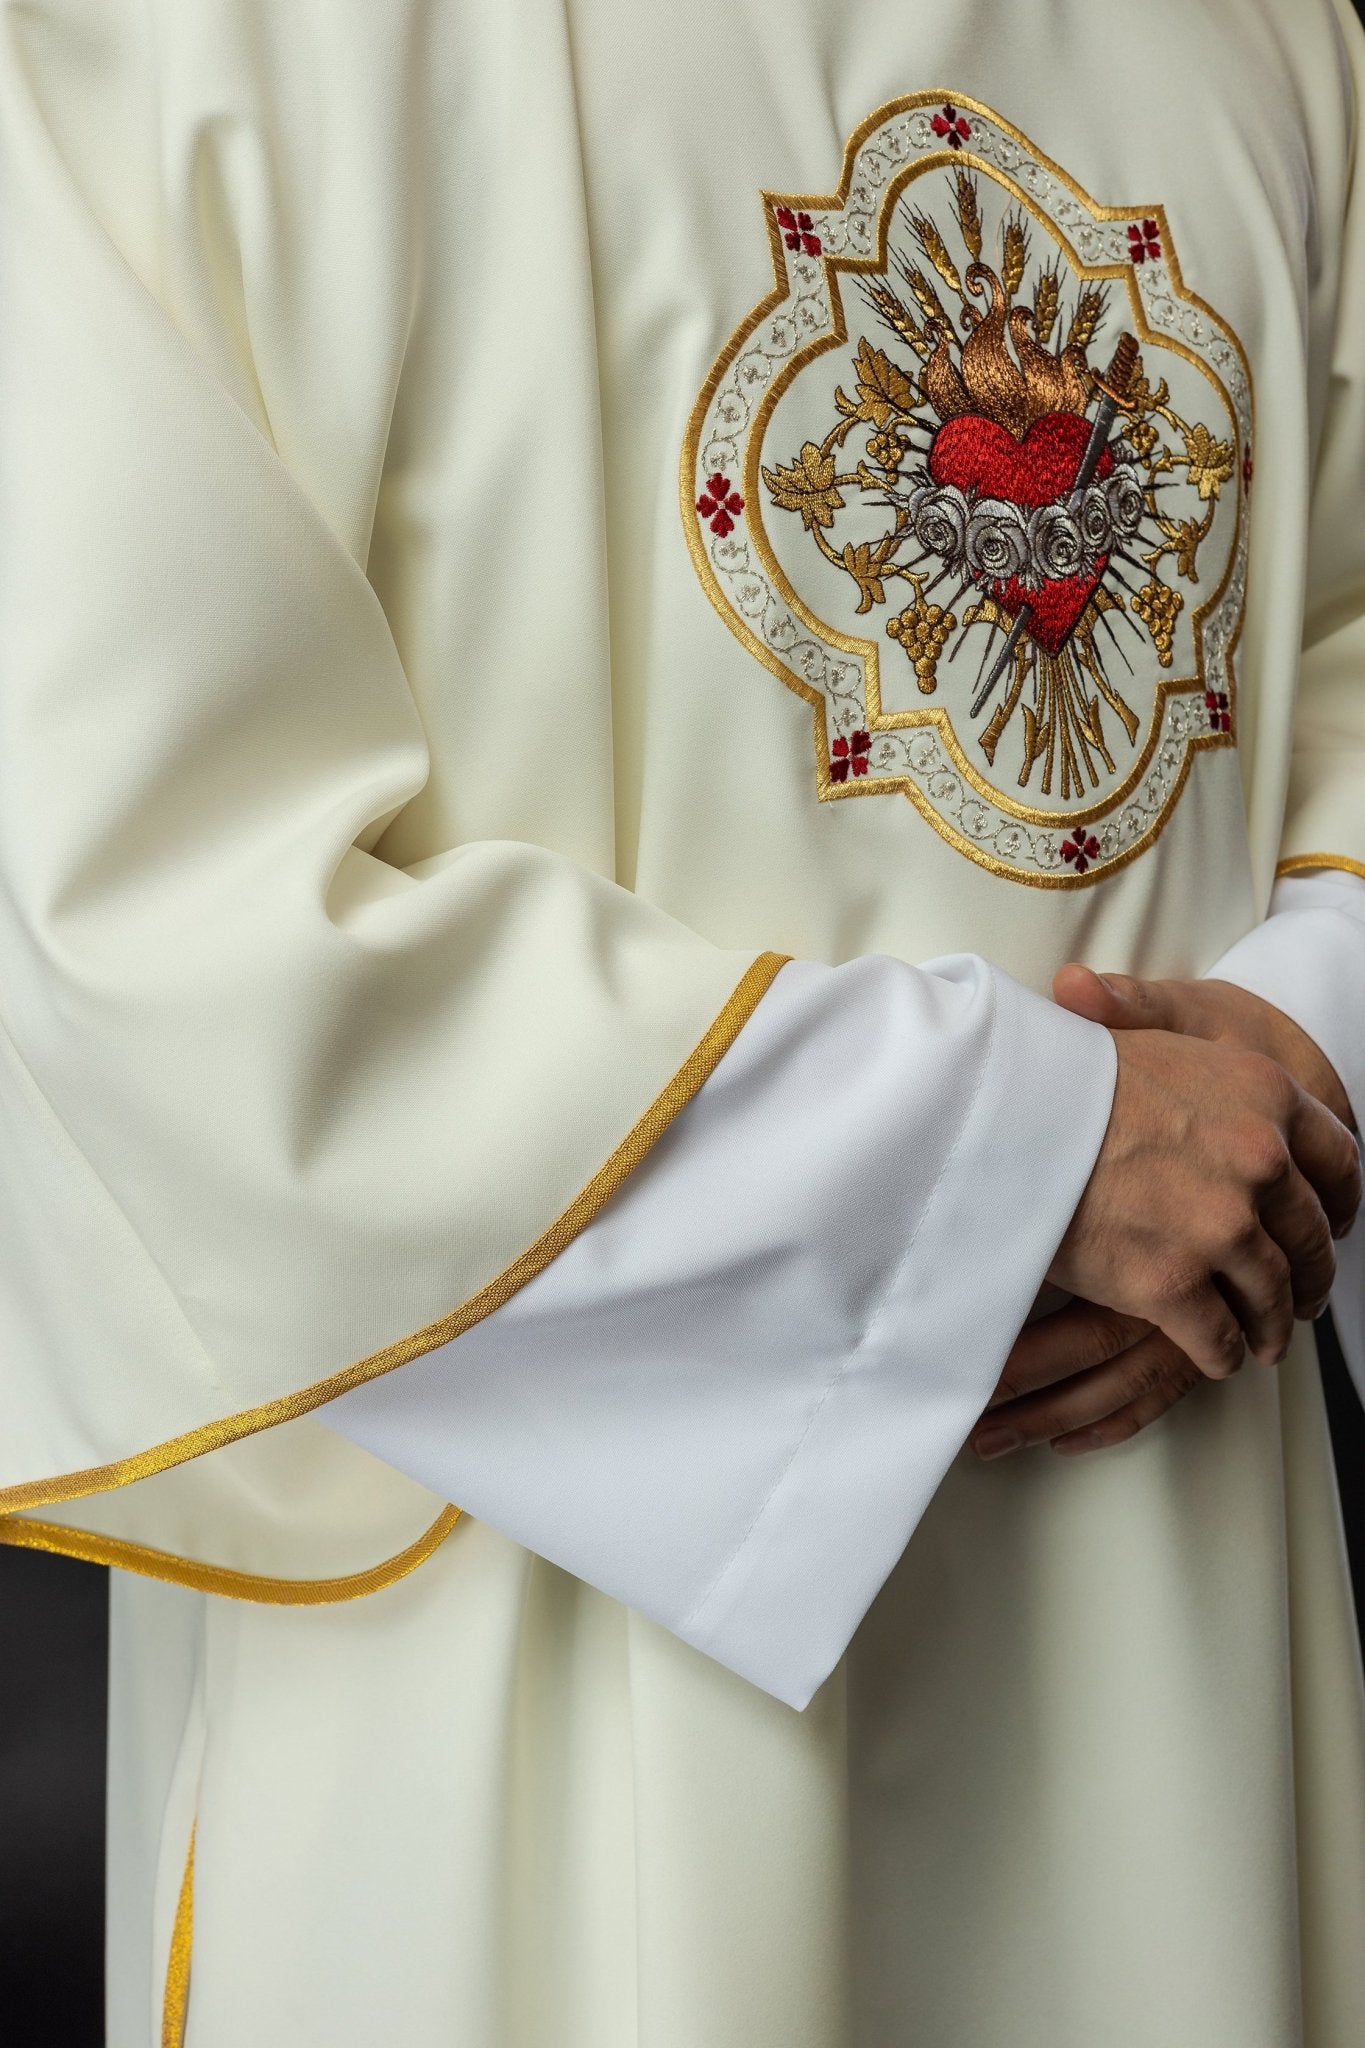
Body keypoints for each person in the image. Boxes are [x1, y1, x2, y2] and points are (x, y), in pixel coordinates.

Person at [1, 0, 1363, 2040]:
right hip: (525, 1613)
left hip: (1172, 1554)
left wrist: (1293, 1047)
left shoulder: (1277, 27)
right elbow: (127, 877)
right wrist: (1004, 1164)